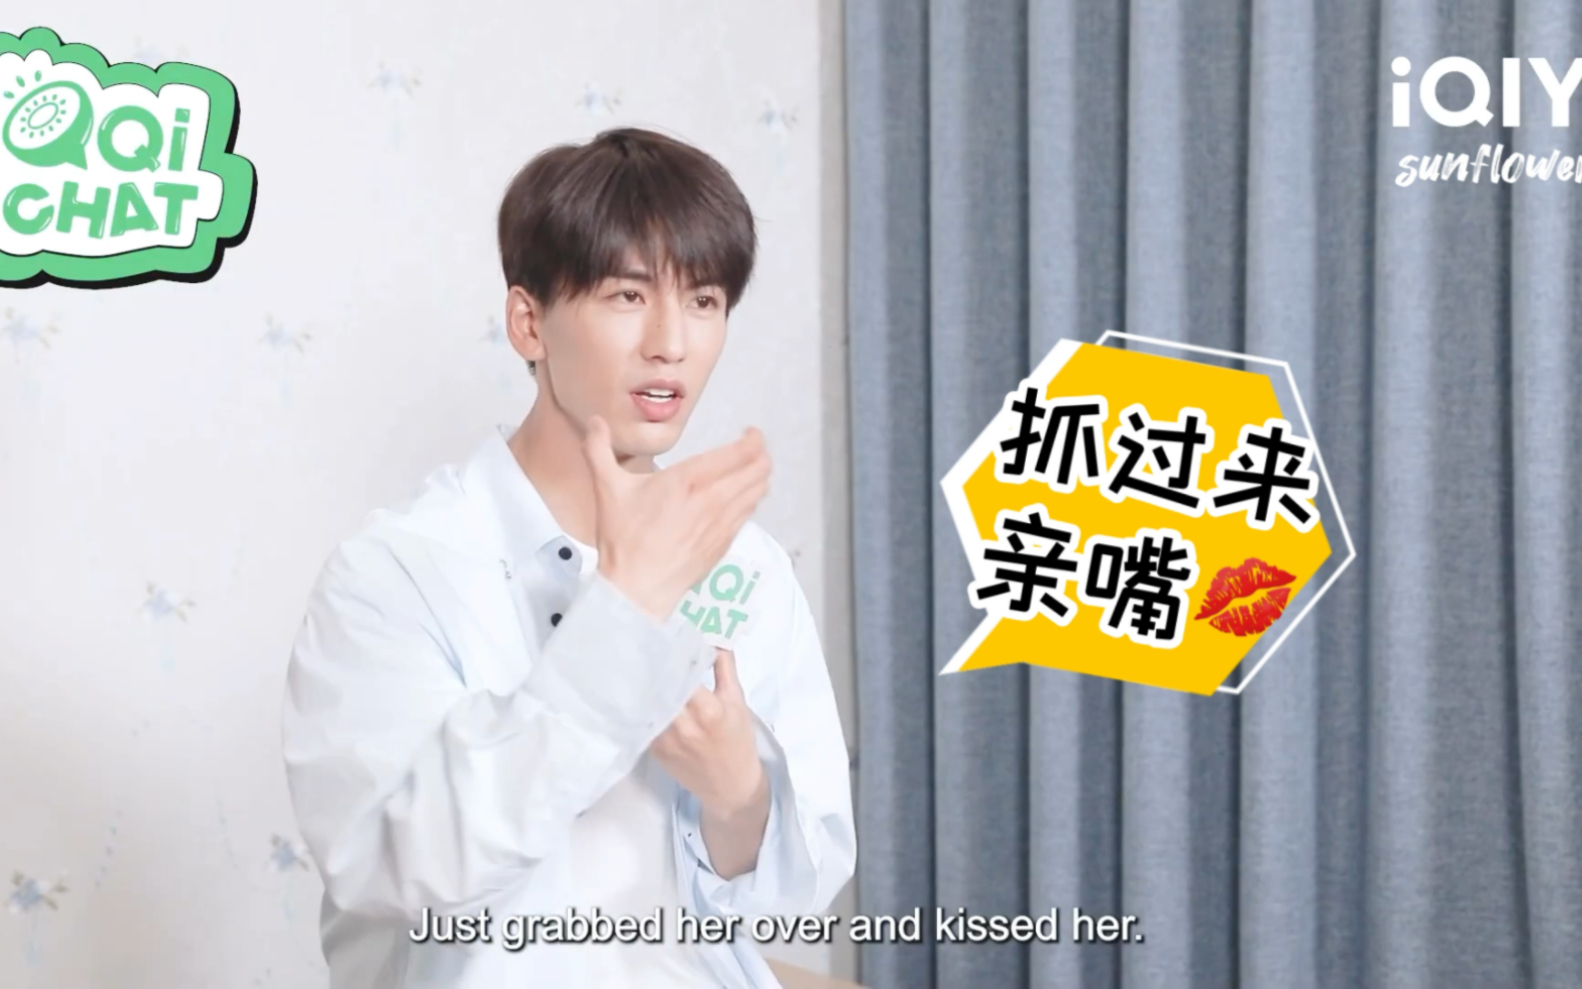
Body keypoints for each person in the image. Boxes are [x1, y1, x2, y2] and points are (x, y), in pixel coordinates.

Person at [281, 128, 855, 988]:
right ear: (529, 322)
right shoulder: (396, 572)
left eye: (703, 300)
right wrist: (622, 613)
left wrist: (741, 794)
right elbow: (392, 870)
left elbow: (793, 898)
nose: (671, 342)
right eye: (628, 295)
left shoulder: (749, 567)